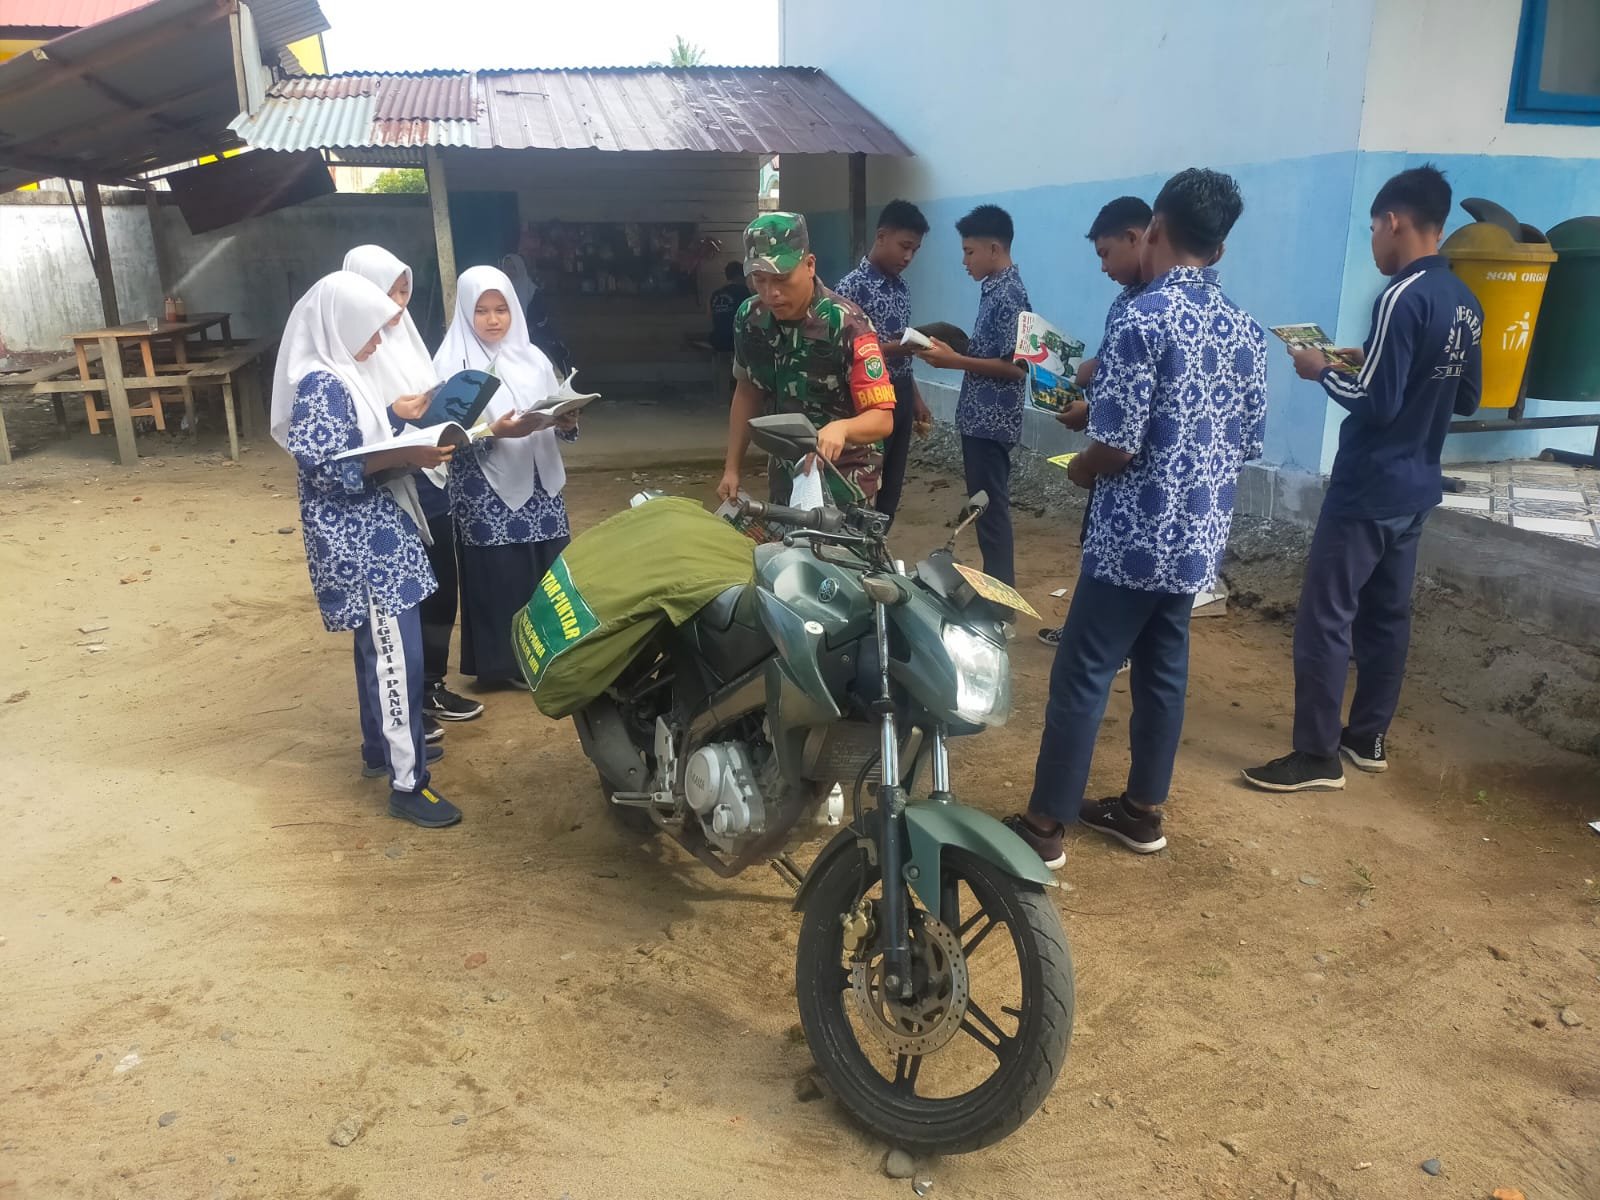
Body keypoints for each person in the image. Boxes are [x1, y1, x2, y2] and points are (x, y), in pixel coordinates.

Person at [1004, 168, 1267, 868]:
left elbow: (1117, 444)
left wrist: (1083, 467)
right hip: (1197, 541)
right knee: (1162, 672)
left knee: (1084, 671)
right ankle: (1142, 812)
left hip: (1132, 539)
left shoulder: (1143, 316)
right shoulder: (1245, 328)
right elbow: (1246, 438)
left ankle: (1043, 825)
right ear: (1219, 244)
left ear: (1153, 229)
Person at [1243, 166, 1483, 792]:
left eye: (1373, 228)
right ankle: (1368, 736)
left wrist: (1320, 369)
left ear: (1393, 221)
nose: (1373, 241)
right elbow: (1464, 396)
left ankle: (1316, 754)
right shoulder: (1465, 300)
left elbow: (1376, 403)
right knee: (1386, 616)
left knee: (1326, 617)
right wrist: (1367, 358)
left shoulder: (1400, 296)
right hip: (1417, 486)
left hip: (1369, 487)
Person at [270, 271, 462, 829]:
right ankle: (408, 783)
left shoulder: (343, 374)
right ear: (342, 325)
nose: (379, 340)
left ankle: (381, 750)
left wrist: (403, 436)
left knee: (376, 651)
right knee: (397, 657)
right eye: (372, 330)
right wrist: (408, 454)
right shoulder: (320, 384)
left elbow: (356, 445)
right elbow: (327, 468)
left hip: (377, 533)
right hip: (361, 546)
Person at [343, 244, 484, 728]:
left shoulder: (407, 341)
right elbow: (352, 439)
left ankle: (431, 686)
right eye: (388, 293)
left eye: (405, 292)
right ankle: (404, 699)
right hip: (386, 490)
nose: (398, 305)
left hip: (432, 476)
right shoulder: (350, 355)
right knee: (400, 597)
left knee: (441, 584)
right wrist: (396, 417)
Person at [435, 266, 580, 691]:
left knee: (546, 569)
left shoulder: (534, 358)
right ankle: (502, 664)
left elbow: (556, 413)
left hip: (541, 485)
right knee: (499, 575)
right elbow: (442, 438)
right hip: (485, 491)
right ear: (466, 312)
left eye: (501, 309)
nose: (493, 319)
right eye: (481, 311)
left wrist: (567, 422)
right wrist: (493, 432)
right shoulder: (452, 365)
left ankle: (551, 654)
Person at [715, 212, 896, 508]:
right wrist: (732, 468)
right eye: (759, 280)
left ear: (810, 265)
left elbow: (882, 418)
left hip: (843, 482)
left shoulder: (847, 324)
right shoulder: (750, 318)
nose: (771, 293)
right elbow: (747, 390)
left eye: (782, 279)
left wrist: (843, 429)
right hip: (786, 475)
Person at [1040, 195, 1153, 650]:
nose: (1103, 267)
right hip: (1118, 463)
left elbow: (1134, 419)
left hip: (1128, 474)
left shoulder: (1148, 311)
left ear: (1134, 237)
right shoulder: (1129, 301)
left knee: (1114, 567)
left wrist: (1086, 462)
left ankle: (1100, 645)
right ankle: (1095, 637)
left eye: (1106, 254)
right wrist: (1092, 392)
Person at [917, 205, 1030, 586]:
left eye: (969, 252)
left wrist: (954, 361)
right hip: (979, 419)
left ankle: (1001, 601)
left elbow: (1017, 367)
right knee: (984, 511)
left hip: (991, 422)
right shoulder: (996, 288)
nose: (964, 261)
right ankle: (997, 592)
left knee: (989, 512)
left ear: (994, 249)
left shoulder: (1009, 294)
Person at [833, 199, 935, 520]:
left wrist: (915, 397)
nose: (908, 257)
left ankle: (879, 541)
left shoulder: (901, 288)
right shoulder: (851, 288)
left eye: (915, 250)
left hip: (900, 392)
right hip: (867, 398)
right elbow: (844, 349)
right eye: (904, 246)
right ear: (881, 236)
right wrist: (894, 349)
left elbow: (903, 348)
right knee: (865, 475)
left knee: (892, 482)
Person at [502, 252, 570, 374]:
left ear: (520, 269)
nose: (509, 271)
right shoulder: (500, 290)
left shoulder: (532, 291)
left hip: (534, 337)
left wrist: (526, 329)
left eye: (513, 267)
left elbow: (540, 317)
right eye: (506, 267)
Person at [708, 261, 750, 411]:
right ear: (740, 275)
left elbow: (711, 316)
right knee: (741, 371)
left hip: (717, 339)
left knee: (722, 368)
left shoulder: (716, 295)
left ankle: (721, 399)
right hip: (736, 340)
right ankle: (739, 400)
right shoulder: (744, 293)